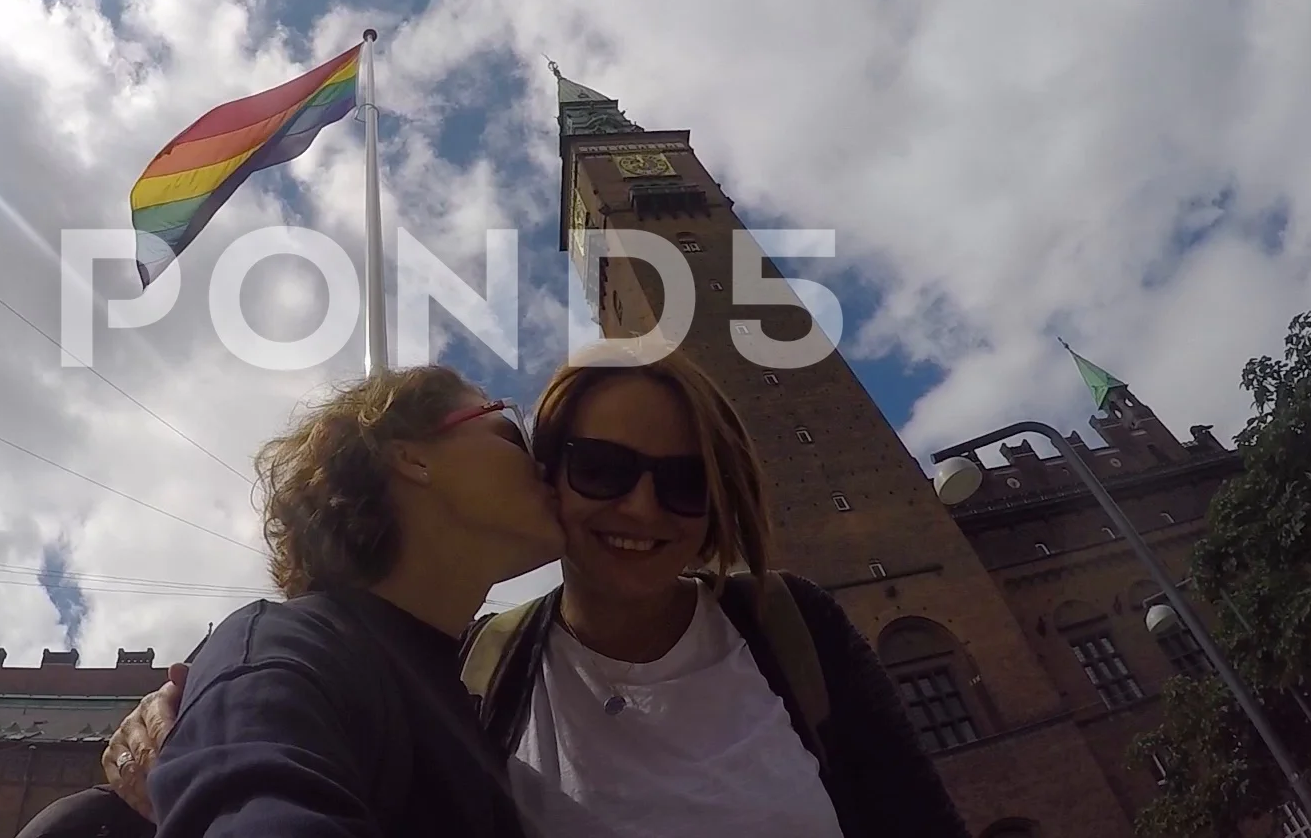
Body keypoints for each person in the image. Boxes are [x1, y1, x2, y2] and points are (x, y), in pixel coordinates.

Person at [101, 343, 972, 838]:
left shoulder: (789, 628)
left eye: (684, 483)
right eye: (597, 467)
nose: (639, 505)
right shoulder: (446, 665)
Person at [27, 364, 564, 838]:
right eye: (509, 429)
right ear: (412, 459)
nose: (545, 464)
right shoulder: (290, 650)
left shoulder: (477, 687)